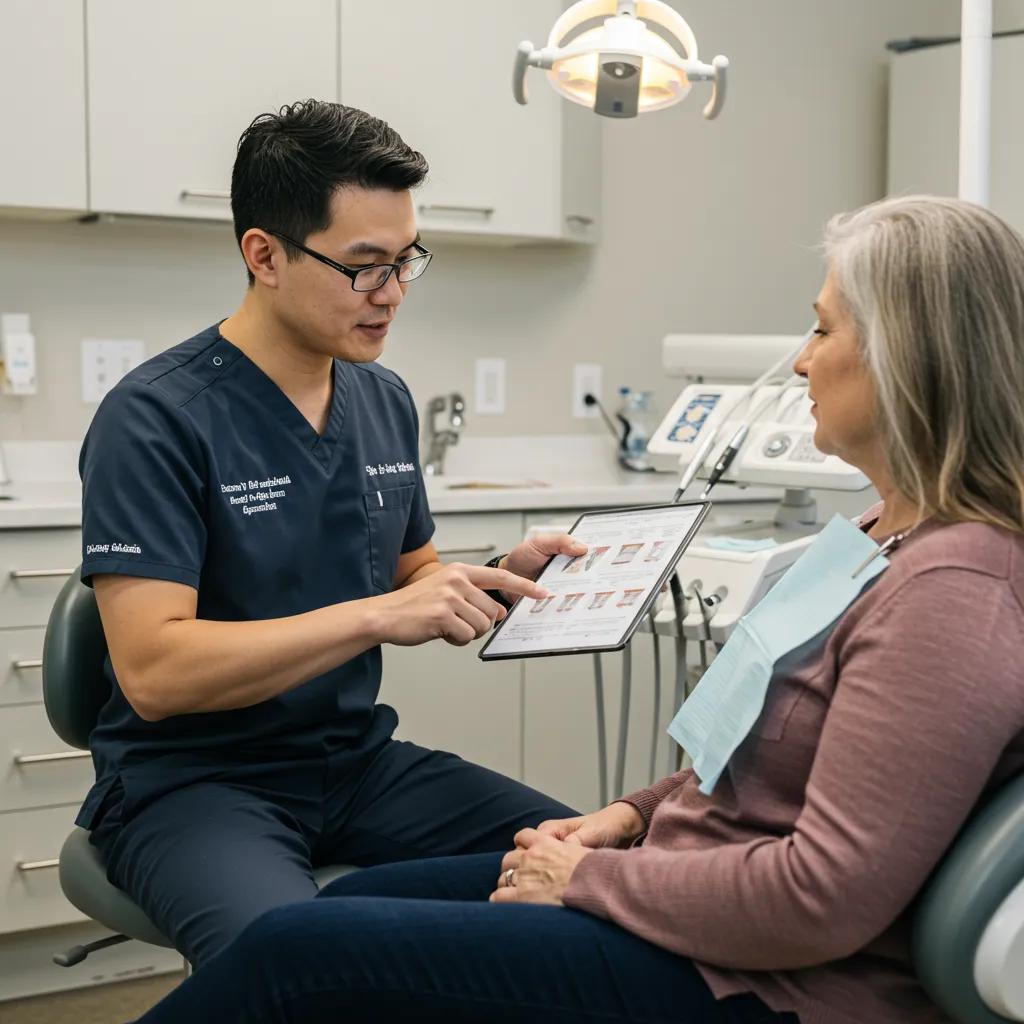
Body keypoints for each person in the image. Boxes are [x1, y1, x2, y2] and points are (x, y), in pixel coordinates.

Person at [132, 194, 1024, 1024]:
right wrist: (629, 816)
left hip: (766, 978)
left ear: (909, 358)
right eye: (366, 266)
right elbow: (746, 753)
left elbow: (822, 898)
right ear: (266, 256)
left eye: (822, 329)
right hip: (680, 881)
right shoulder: (875, 533)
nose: (798, 359)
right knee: (352, 908)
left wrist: (588, 878)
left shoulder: (954, 592)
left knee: (299, 951)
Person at [77, 99, 581, 969]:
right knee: (294, 962)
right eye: (363, 267)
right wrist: (376, 616)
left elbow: (411, 576)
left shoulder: (381, 398)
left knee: (597, 866)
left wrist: (499, 576)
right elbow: (154, 674)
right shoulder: (156, 418)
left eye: (406, 260)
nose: (392, 294)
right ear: (264, 255)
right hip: (193, 785)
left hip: (355, 764)